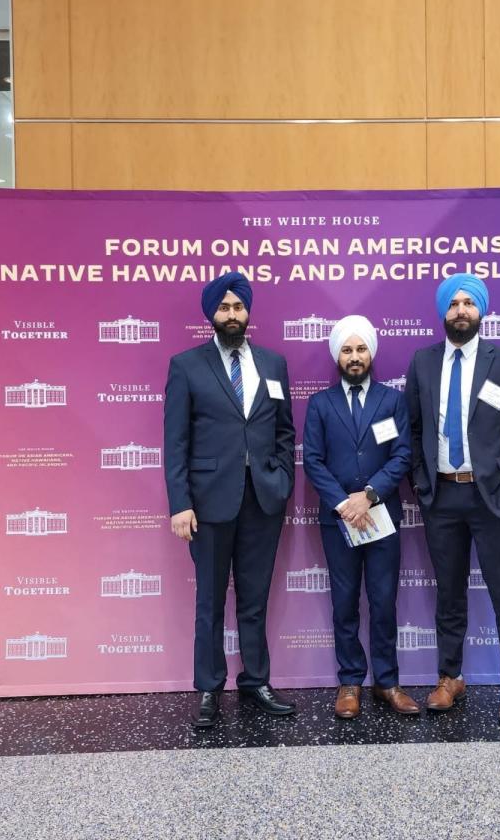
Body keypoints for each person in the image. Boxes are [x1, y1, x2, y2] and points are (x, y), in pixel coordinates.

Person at [405, 274, 500, 724]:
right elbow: (414, 431)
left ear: (481, 311)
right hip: (442, 496)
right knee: (449, 594)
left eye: (468, 303)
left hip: (492, 498)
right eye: (453, 304)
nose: (460, 310)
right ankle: (450, 677)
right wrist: (423, 485)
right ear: (442, 312)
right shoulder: (422, 363)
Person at [164, 272, 296, 728]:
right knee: (210, 600)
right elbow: (175, 442)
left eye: (238, 307)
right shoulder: (186, 366)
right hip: (208, 503)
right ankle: (208, 687)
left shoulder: (274, 364)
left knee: (255, 598)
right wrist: (180, 503)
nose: (232, 314)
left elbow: (284, 432)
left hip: (262, 500)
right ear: (211, 315)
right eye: (224, 308)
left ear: (248, 312)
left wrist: (280, 482)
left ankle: (256, 680)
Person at [302, 315, 419, 719]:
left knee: (384, 601)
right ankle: (350, 681)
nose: (355, 357)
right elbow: (313, 461)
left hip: (381, 516)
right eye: (347, 350)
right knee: (345, 602)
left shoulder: (393, 401)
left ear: (372, 353)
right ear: (338, 355)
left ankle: (387, 682)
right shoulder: (320, 404)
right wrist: (344, 503)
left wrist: (368, 496)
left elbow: (403, 454)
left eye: (361, 348)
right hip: (339, 521)